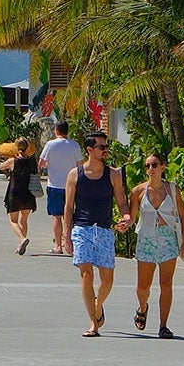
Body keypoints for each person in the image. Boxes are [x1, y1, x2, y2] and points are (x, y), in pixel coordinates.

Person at [63, 131, 131, 336]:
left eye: (106, 146)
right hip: (82, 228)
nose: (106, 150)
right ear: (90, 150)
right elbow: (68, 207)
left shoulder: (113, 175)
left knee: (108, 280)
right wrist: (66, 236)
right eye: (102, 147)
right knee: (86, 275)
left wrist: (126, 217)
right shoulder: (75, 174)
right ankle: (93, 323)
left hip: (104, 229)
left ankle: (97, 304)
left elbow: (121, 202)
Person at [129, 152, 184, 337]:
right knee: (143, 287)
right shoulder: (138, 191)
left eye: (155, 165)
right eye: (148, 166)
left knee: (166, 284)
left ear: (163, 167)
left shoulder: (172, 190)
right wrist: (125, 222)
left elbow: (182, 215)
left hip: (167, 239)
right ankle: (142, 308)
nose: (151, 169)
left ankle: (163, 325)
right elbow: (132, 217)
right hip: (147, 239)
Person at [40, 121, 83, 255]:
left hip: (55, 185)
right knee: (68, 215)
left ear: (56, 131)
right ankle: (68, 243)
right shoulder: (75, 145)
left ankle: (58, 246)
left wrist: (51, 165)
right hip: (71, 185)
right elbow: (80, 165)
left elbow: (41, 163)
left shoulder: (50, 144)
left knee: (56, 216)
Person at [1, 137, 39, 255]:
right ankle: (20, 244)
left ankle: (22, 239)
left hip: (15, 193)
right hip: (28, 193)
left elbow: (0, 167)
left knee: (13, 221)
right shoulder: (32, 161)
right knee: (24, 220)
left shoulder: (13, 161)